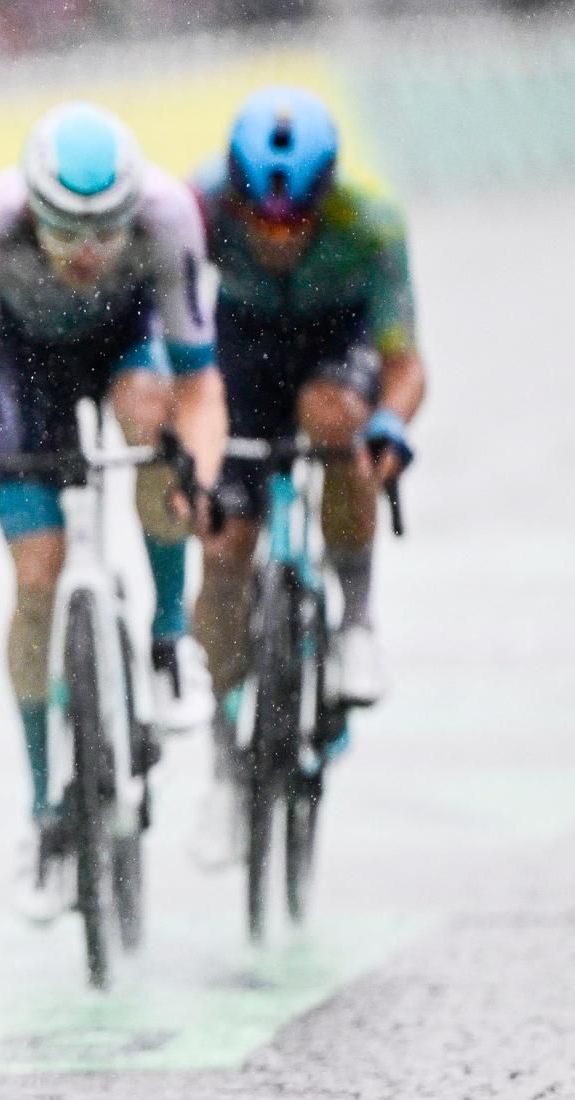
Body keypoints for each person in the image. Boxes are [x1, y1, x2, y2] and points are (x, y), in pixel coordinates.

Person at [0, 102, 226, 917]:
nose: (88, 251)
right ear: (31, 208)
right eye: (65, 230)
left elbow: (201, 389)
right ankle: (40, 809)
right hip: (22, 370)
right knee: (36, 575)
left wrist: (194, 477)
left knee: (153, 423)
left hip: (127, 347)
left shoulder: (169, 218)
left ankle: (170, 637)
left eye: (105, 231)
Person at [192, 85, 421, 729]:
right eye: (259, 220)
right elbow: (166, 317)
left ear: (325, 198)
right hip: (245, 343)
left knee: (336, 420)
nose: (277, 236)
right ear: (233, 195)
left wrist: (390, 423)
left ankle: (355, 622)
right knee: (221, 548)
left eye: (295, 220)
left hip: (336, 343)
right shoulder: (200, 206)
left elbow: (404, 363)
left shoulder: (371, 222)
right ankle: (220, 723)